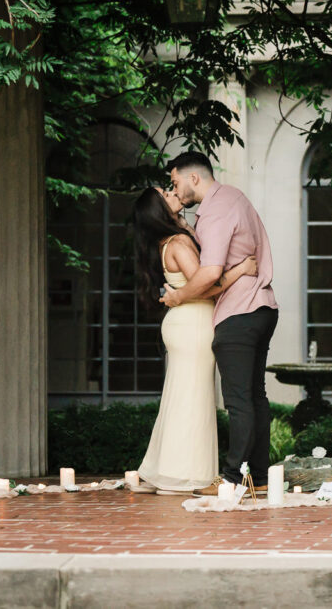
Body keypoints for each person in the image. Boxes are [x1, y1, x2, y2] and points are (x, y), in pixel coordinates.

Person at [159, 152, 278, 496]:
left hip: (239, 311)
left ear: (193, 178)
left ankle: (231, 480)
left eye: (175, 181)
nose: (175, 188)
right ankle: (257, 476)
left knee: (239, 401)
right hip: (262, 307)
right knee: (255, 397)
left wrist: (178, 298)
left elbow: (209, 274)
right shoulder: (231, 199)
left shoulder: (215, 211)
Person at [132, 186, 257, 494]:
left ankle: (166, 470)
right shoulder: (177, 243)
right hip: (194, 323)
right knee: (193, 399)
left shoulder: (169, 241)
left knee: (180, 396)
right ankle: (184, 475)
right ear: (161, 210)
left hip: (183, 323)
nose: (174, 193)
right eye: (167, 194)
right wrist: (242, 269)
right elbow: (206, 284)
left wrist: (189, 228)